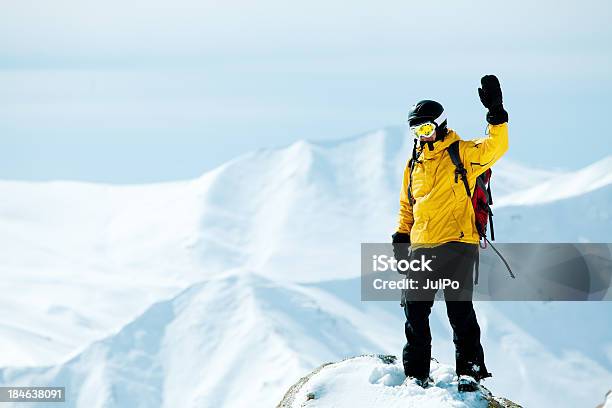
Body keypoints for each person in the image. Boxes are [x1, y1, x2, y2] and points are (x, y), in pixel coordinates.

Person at [392, 75, 509, 392]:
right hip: (422, 247)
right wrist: (402, 238)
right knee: (415, 312)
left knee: (459, 310)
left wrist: (496, 113)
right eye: (416, 130)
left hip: (458, 242)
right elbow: (408, 205)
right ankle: (416, 374)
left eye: (426, 128)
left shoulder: (463, 152)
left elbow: (498, 146)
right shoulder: (414, 164)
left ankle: (469, 372)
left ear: (440, 125)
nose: (422, 136)